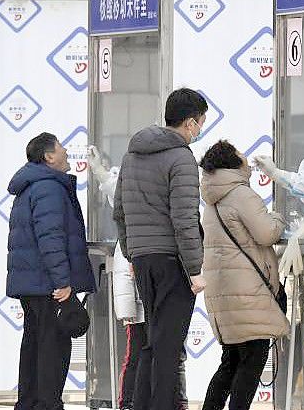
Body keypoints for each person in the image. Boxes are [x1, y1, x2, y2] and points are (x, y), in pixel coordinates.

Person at [113, 88, 208, 410]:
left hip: (142, 259)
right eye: (201, 123)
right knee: (168, 348)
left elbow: (119, 211)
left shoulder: (132, 155)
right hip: (172, 261)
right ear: (191, 122)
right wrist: (195, 269)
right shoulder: (181, 158)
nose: (199, 130)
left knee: (152, 342)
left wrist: (131, 253)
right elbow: (184, 218)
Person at [88, 146, 188, 410]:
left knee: (169, 352)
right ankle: (130, 402)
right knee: (138, 352)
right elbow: (113, 189)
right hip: (140, 300)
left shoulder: (153, 205)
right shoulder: (132, 203)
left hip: (156, 294)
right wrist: (99, 171)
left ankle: (173, 400)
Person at [6, 133, 97, 410]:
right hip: (48, 285)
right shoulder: (49, 188)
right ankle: (47, 404)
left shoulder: (32, 186)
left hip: (33, 283)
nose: (67, 151)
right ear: (49, 157)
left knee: (34, 345)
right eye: (61, 147)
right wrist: (63, 282)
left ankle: (30, 403)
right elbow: (51, 238)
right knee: (52, 349)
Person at [198, 140, 289, 410]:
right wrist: (279, 218)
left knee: (231, 361)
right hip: (247, 290)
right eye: (241, 155)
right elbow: (266, 233)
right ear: (233, 164)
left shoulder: (212, 199)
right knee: (252, 359)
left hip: (223, 291)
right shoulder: (241, 195)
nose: (246, 159)